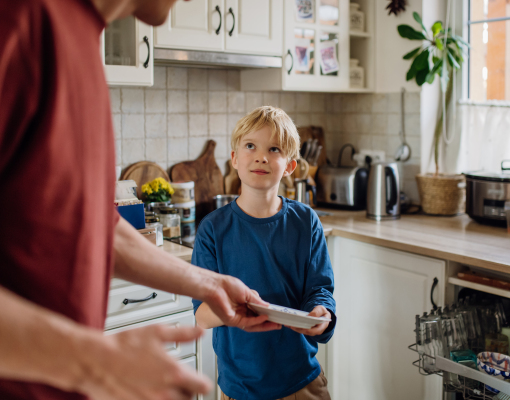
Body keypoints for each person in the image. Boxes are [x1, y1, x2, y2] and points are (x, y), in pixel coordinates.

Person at [0, 1, 278, 399]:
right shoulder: (19, 19)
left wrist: (208, 283)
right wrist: (93, 359)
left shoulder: (82, 39)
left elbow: (94, 223)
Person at [192, 106, 336, 400]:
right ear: (234, 159)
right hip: (239, 388)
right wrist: (235, 309)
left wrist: (324, 314)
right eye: (250, 146)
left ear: (290, 167)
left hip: (302, 383)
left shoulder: (306, 222)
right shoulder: (212, 230)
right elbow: (203, 316)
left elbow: (320, 290)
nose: (261, 157)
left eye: (274, 149)